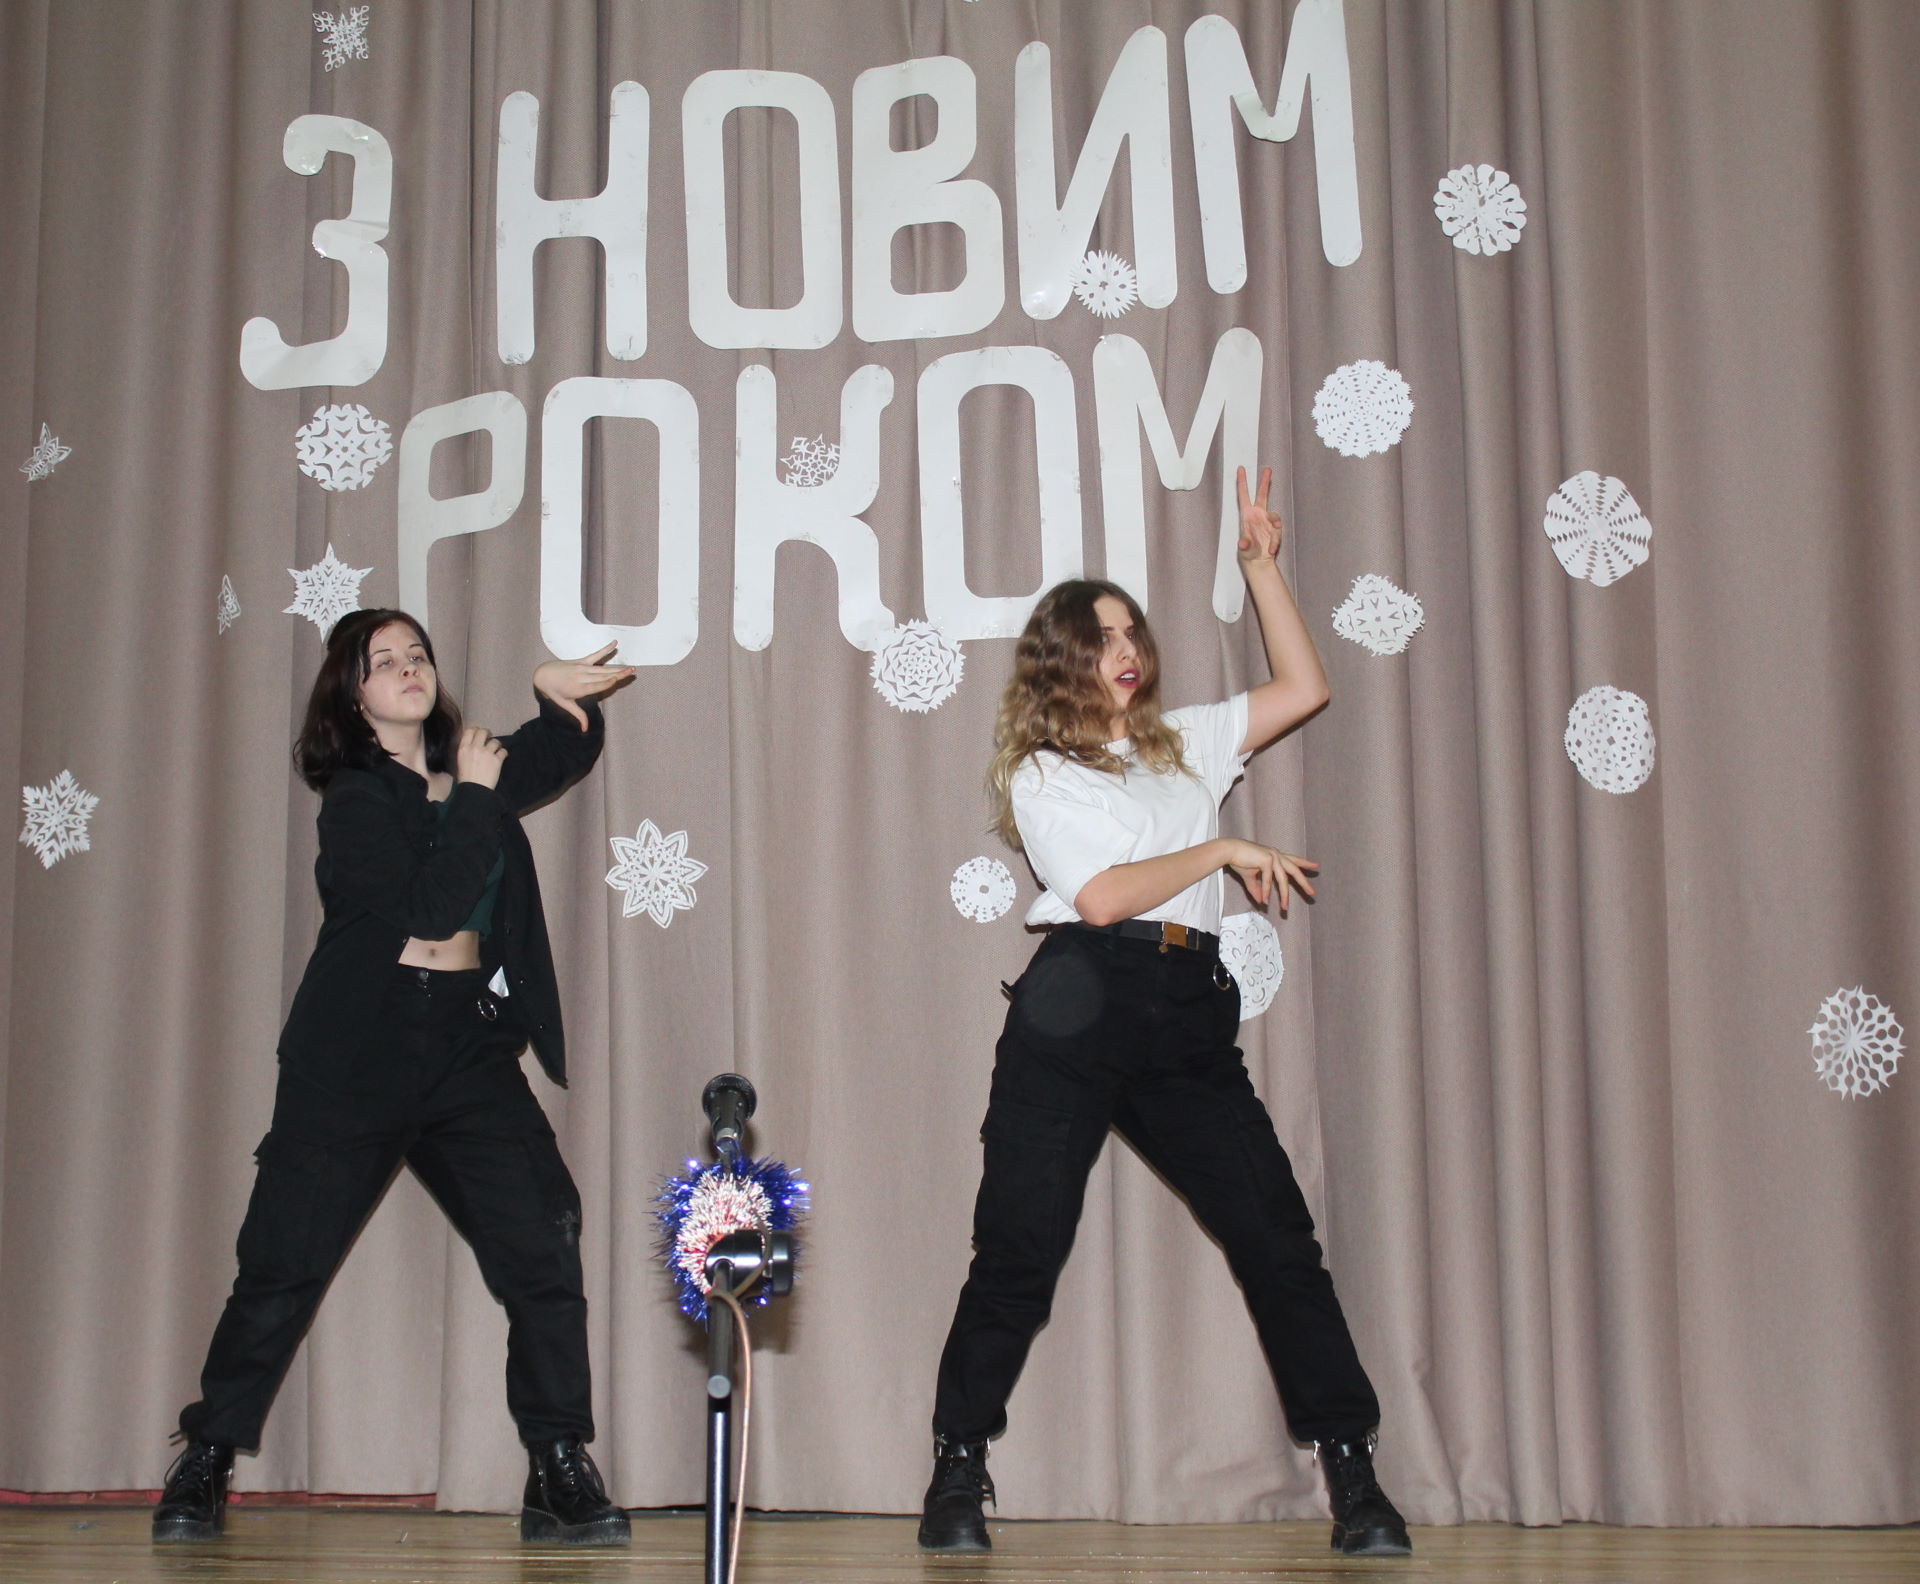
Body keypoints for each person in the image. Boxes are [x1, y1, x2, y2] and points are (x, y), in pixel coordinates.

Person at [918, 469, 1411, 1558]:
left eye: (1131, 630)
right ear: (1062, 659)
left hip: (1186, 1011)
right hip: (1076, 1010)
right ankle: (957, 1468)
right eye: (1100, 637)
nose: (1125, 648)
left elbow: (1304, 687)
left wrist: (1260, 566)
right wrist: (1224, 846)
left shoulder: (1183, 741)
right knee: (1019, 1249)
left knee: (1276, 1239)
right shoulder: (1042, 773)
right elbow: (1101, 899)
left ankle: (1354, 1473)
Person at [152, 609, 636, 1546]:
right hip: (356, 1051)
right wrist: (478, 795)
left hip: (466, 1046)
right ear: (353, 695)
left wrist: (555, 698)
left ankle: (557, 1466)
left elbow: (558, 753)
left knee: (543, 1242)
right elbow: (429, 904)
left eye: (419, 654)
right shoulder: (356, 798)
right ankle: (206, 1455)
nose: (410, 668)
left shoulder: (474, 768)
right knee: (283, 1262)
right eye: (385, 661)